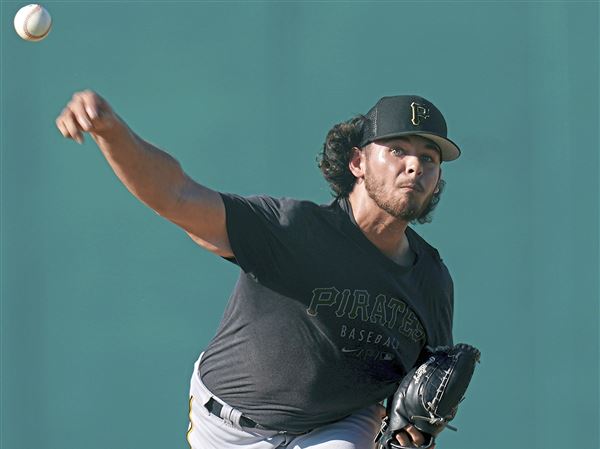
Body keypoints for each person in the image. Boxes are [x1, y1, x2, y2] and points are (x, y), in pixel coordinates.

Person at [55, 93, 460, 449]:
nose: (414, 165)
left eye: (428, 158)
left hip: (337, 427)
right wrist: (112, 133)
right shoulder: (294, 229)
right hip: (225, 428)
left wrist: (419, 431)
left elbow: (428, 387)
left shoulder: (432, 281)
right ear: (357, 162)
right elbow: (176, 195)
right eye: (397, 150)